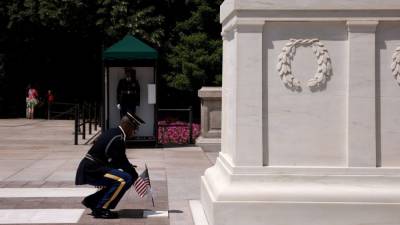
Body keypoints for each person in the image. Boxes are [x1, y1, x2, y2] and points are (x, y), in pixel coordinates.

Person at [75, 112, 145, 219]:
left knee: (125, 177)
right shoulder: (118, 138)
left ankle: (93, 201)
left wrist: (130, 170)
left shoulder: (116, 133)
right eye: (134, 128)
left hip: (95, 167)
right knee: (124, 179)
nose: (135, 132)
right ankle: (101, 209)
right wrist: (134, 174)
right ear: (127, 125)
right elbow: (121, 161)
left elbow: (116, 160)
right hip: (92, 169)